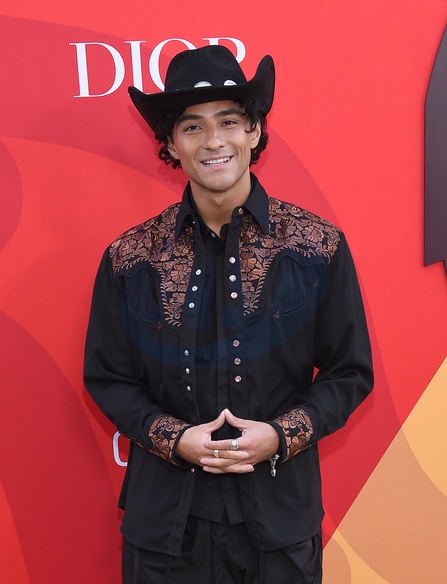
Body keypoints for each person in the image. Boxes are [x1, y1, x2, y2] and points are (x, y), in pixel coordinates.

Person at [84, 45, 373, 584]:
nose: (213, 141)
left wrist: (280, 435)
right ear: (171, 143)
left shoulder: (316, 246)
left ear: (254, 132)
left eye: (229, 121)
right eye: (192, 127)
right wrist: (175, 439)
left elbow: (349, 372)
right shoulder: (130, 257)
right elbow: (108, 378)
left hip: (280, 523)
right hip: (164, 529)